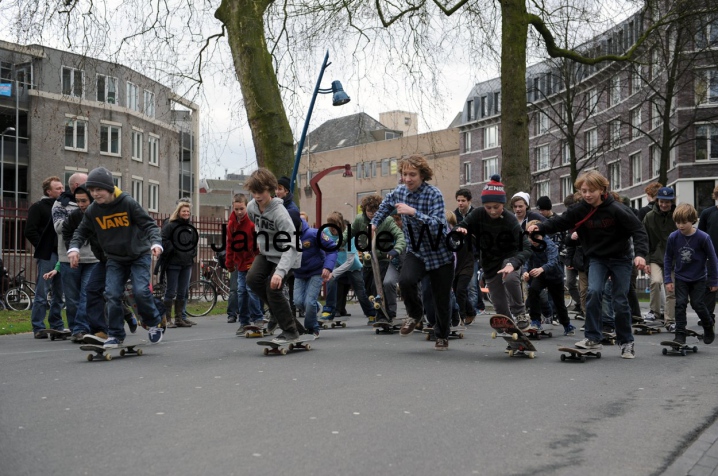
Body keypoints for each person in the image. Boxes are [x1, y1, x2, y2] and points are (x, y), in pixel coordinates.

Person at [528, 170, 649, 359]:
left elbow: (638, 230)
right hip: (597, 258)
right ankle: (592, 337)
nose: (587, 195)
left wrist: (640, 255)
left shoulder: (617, 209)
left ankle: (626, 341)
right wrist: (540, 228)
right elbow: (560, 222)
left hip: (620, 258)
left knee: (619, 299)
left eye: (591, 191)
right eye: (583, 191)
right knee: (593, 292)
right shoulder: (581, 209)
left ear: (602, 189)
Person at [67, 167, 164, 348]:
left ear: (109, 188)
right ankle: (116, 334)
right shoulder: (93, 210)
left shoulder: (127, 203)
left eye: (99, 190)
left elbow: (149, 225)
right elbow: (80, 231)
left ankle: (153, 322)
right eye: (92, 190)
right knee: (111, 294)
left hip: (138, 255)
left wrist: (156, 243)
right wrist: (74, 248)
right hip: (115, 258)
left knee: (141, 291)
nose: (95, 194)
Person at [455, 175, 532, 329]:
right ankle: (511, 330)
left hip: (510, 258)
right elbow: (462, 224)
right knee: (499, 305)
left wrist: (514, 263)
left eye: (496, 207)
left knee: (510, 278)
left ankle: (520, 313)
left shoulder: (510, 220)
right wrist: (460, 229)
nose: (492, 211)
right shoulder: (478, 214)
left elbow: (526, 247)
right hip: (490, 263)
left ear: (503, 204)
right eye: (488, 207)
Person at [245, 169, 303, 342]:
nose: (257, 196)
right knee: (252, 279)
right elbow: (257, 225)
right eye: (254, 192)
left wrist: (280, 272)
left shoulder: (280, 213)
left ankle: (291, 331)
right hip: (267, 252)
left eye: (261, 192)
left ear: (270, 189)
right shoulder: (251, 207)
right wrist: (260, 241)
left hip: (288, 254)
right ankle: (282, 315)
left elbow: (292, 243)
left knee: (274, 289)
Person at [52, 173, 98, 342]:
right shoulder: (60, 204)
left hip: (92, 258)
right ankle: (75, 329)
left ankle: (82, 328)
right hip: (68, 258)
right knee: (72, 298)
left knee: (87, 293)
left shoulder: (97, 206)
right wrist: (77, 219)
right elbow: (59, 228)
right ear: (76, 185)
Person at [664, 203, 717, 345]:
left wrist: (714, 281)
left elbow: (713, 259)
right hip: (681, 277)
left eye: (684, 222)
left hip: (699, 278)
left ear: (693, 220)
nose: (680, 226)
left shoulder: (703, 237)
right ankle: (680, 334)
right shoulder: (673, 237)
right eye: (677, 222)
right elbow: (668, 258)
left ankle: (708, 326)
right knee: (680, 304)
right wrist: (668, 279)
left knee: (697, 304)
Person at [352, 194, 405, 321]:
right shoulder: (359, 220)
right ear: (364, 210)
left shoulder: (387, 220)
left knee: (379, 287)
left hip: (383, 259)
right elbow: (349, 233)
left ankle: (383, 315)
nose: (372, 214)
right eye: (369, 211)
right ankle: (379, 311)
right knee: (368, 289)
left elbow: (400, 237)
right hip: (368, 260)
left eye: (375, 211)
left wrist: (395, 250)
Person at [25, 176, 66, 338]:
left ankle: (57, 325)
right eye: (58, 188)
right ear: (48, 191)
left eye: (62, 188)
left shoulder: (64, 207)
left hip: (63, 253)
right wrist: (43, 246)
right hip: (48, 255)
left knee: (59, 292)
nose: (62, 190)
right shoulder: (38, 207)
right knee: (42, 291)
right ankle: (38, 327)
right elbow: (30, 231)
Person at [522, 219, 575, 336]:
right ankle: (535, 320)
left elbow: (553, 261)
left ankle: (567, 325)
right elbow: (526, 260)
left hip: (554, 276)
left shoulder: (550, 245)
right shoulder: (530, 246)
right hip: (541, 275)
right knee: (533, 290)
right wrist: (525, 272)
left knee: (559, 303)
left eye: (536, 236)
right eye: (530, 237)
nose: (533, 240)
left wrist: (542, 268)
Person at [322, 212, 376, 323]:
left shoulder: (349, 235)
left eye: (334, 225)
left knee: (360, 292)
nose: (332, 228)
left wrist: (334, 272)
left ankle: (371, 313)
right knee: (330, 281)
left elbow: (350, 261)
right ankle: (329, 310)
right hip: (336, 263)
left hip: (352, 266)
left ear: (340, 224)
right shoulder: (326, 232)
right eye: (330, 225)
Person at [225, 193, 264, 333]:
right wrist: (229, 263)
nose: (239, 212)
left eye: (242, 209)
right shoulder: (232, 224)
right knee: (241, 291)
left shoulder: (252, 222)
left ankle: (258, 317)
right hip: (240, 262)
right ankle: (244, 321)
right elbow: (230, 244)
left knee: (251, 289)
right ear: (233, 208)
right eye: (236, 209)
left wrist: (260, 257)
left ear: (246, 207)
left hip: (253, 260)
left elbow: (260, 242)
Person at [294, 217, 338, 337]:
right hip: (299, 272)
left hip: (316, 271)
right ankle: (316, 307)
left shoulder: (313, 234)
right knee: (298, 301)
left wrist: (328, 268)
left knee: (309, 302)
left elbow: (332, 249)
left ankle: (312, 328)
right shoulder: (285, 235)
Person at [642, 186, 677, 328]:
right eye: (661, 201)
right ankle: (654, 311)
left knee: (671, 289)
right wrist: (646, 261)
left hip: (673, 259)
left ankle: (670, 320)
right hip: (656, 256)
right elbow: (645, 240)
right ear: (657, 201)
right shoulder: (649, 217)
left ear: (672, 201)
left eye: (667, 202)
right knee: (655, 281)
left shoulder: (677, 216)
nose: (664, 205)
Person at [161, 201, 198, 328]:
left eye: (188, 211)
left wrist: (192, 253)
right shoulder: (170, 225)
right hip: (173, 263)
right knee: (170, 291)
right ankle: (167, 319)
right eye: (184, 211)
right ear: (179, 212)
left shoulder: (190, 227)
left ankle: (179, 318)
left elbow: (194, 242)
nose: (186, 213)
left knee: (182, 291)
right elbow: (163, 239)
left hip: (187, 263)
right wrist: (174, 249)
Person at [455, 188, 483, 322]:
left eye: (463, 201)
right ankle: (470, 310)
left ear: (469, 201)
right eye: (458, 201)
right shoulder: (455, 215)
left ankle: (466, 313)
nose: (460, 203)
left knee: (471, 286)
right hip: (458, 257)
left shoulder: (476, 214)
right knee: (458, 288)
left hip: (472, 256)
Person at [697, 184, 718, 325]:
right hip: (711, 257)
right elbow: (700, 236)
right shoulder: (707, 213)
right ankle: (708, 319)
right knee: (710, 288)